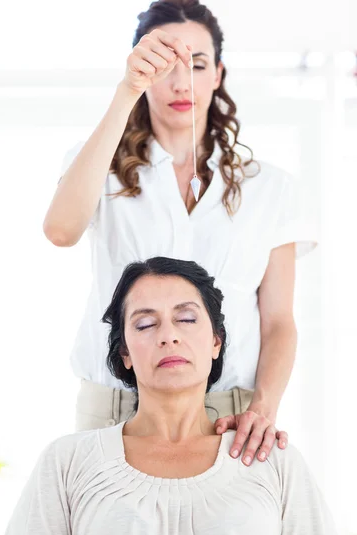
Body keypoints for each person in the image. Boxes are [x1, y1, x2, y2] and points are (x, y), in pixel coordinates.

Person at [43, 0, 318, 465]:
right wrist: (125, 92)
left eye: (197, 63)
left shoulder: (270, 188)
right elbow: (60, 231)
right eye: (164, 64)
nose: (180, 81)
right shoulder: (100, 166)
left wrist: (263, 408)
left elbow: (277, 322)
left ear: (218, 74)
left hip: (229, 419)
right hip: (114, 411)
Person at [0, 257, 352, 535]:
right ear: (125, 355)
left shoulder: (269, 460)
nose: (168, 336)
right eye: (146, 324)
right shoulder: (67, 463)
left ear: (216, 342)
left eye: (186, 319)